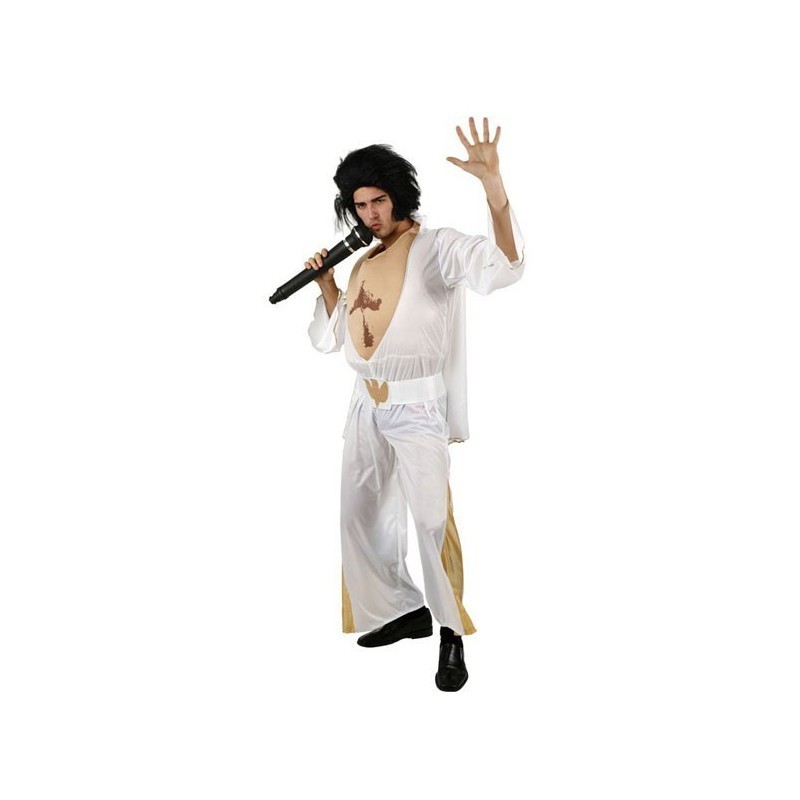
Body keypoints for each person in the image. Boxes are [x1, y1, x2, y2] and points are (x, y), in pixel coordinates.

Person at [305, 117, 525, 692]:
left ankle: (450, 632)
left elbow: (504, 268)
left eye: (378, 200)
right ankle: (402, 610)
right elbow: (333, 339)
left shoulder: (437, 248)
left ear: (398, 195)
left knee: (430, 521)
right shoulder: (360, 262)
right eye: (360, 205)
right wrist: (327, 285)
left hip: (417, 407)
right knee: (357, 515)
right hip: (365, 407)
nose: (370, 214)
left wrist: (494, 189)